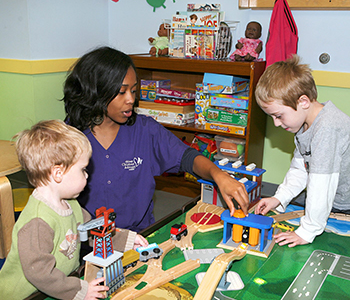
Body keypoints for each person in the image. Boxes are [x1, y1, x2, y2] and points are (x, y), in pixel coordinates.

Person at [63, 46, 249, 233]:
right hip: (87, 242)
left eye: (134, 91)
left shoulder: (145, 130)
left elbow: (187, 157)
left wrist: (219, 175)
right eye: (121, 92)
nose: (130, 99)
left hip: (138, 236)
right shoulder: (69, 135)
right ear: (95, 92)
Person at [0, 120, 147, 300]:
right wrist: (79, 289)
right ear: (58, 173)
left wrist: (128, 240)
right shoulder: (37, 222)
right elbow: (40, 273)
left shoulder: (71, 204)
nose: (87, 176)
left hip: (51, 293)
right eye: (83, 169)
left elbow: (96, 231)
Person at [254, 55, 350, 247]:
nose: (276, 123)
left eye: (279, 115)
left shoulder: (327, 127)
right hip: (336, 201)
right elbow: (300, 169)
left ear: (303, 101)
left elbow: (321, 183)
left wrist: (307, 231)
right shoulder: (304, 124)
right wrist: (278, 197)